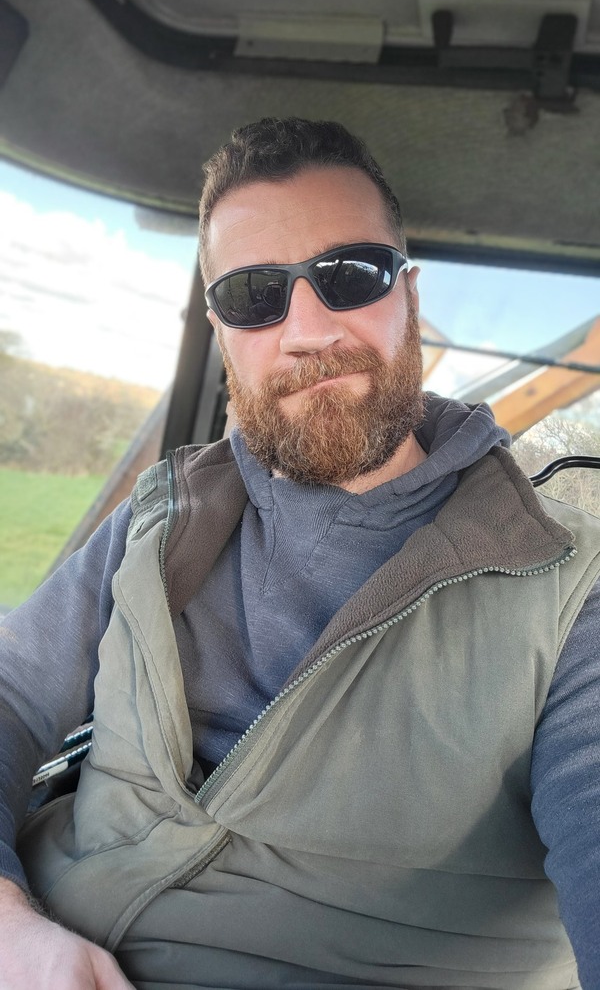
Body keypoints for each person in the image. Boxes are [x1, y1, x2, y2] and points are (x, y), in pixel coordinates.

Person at [0, 117, 599, 990]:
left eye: (350, 275)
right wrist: (9, 927)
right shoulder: (161, 513)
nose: (308, 329)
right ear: (221, 329)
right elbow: (10, 693)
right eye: (255, 295)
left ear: (408, 296)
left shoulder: (567, 583)